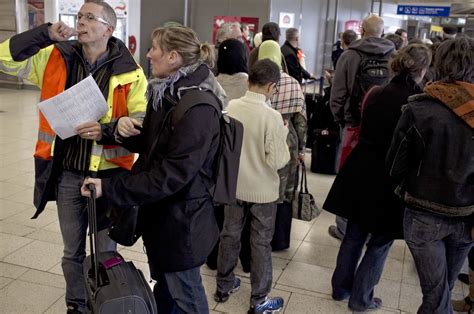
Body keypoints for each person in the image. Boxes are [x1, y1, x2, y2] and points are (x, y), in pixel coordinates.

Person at [0, 2, 147, 313]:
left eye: (90, 18)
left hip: (109, 177)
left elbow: (141, 119)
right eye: (79, 16)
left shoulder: (130, 71)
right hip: (68, 173)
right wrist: (43, 35)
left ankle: (105, 301)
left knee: (105, 250)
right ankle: (76, 304)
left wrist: (107, 130)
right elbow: (5, 59)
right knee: (72, 251)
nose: (81, 22)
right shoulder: (56, 55)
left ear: (109, 28)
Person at [81, 25, 227, 313]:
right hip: (163, 216)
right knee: (166, 287)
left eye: (154, 49)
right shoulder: (168, 93)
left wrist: (109, 188)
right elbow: (152, 142)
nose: (147, 55)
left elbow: (171, 175)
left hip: (183, 222)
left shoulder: (198, 107)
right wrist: (112, 131)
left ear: (173, 56)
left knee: (187, 296)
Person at [324, 44, 432, 312]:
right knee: (380, 242)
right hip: (389, 177)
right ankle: (361, 299)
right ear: (422, 70)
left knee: (354, 234)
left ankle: (340, 288)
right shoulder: (417, 103)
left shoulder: (375, 92)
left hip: (361, 169)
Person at [386, 37, 474, 314]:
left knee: (437, 297)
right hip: (467, 215)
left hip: (423, 211)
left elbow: (394, 165)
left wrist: (404, 189)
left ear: (438, 63)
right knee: (441, 291)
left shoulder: (419, 109)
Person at [215, 59, 289, 314]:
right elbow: (278, 160)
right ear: (271, 86)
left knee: (229, 234)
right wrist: (284, 134)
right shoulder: (272, 117)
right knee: (260, 242)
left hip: (234, 185)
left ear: (248, 81)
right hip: (263, 190)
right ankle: (259, 300)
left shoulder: (232, 107)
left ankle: (223, 286)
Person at [328, 15, 394, 241]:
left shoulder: (349, 55)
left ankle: (344, 227)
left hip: (353, 124)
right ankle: (368, 226)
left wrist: (341, 119)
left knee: (347, 173)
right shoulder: (394, 56)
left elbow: (337, 93)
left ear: (362, 30)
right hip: (384, 127)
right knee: (375, 174)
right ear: (382, 32)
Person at [257, 40, 307, 251]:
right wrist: (302, 149)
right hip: (287, 140)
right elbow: (301, 120)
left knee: (260, 190)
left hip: (259, 138)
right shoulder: (292, 83)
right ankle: (280, 240)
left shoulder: (254, 79)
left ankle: (258, 239)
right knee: (285, 192)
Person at [207, 37, 251, 273]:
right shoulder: (250, 85)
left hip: (216, 156)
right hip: (243, 156)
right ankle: (244, 260)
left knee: (216, 210)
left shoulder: (212, 83)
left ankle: (213, 257)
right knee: (241, 214)